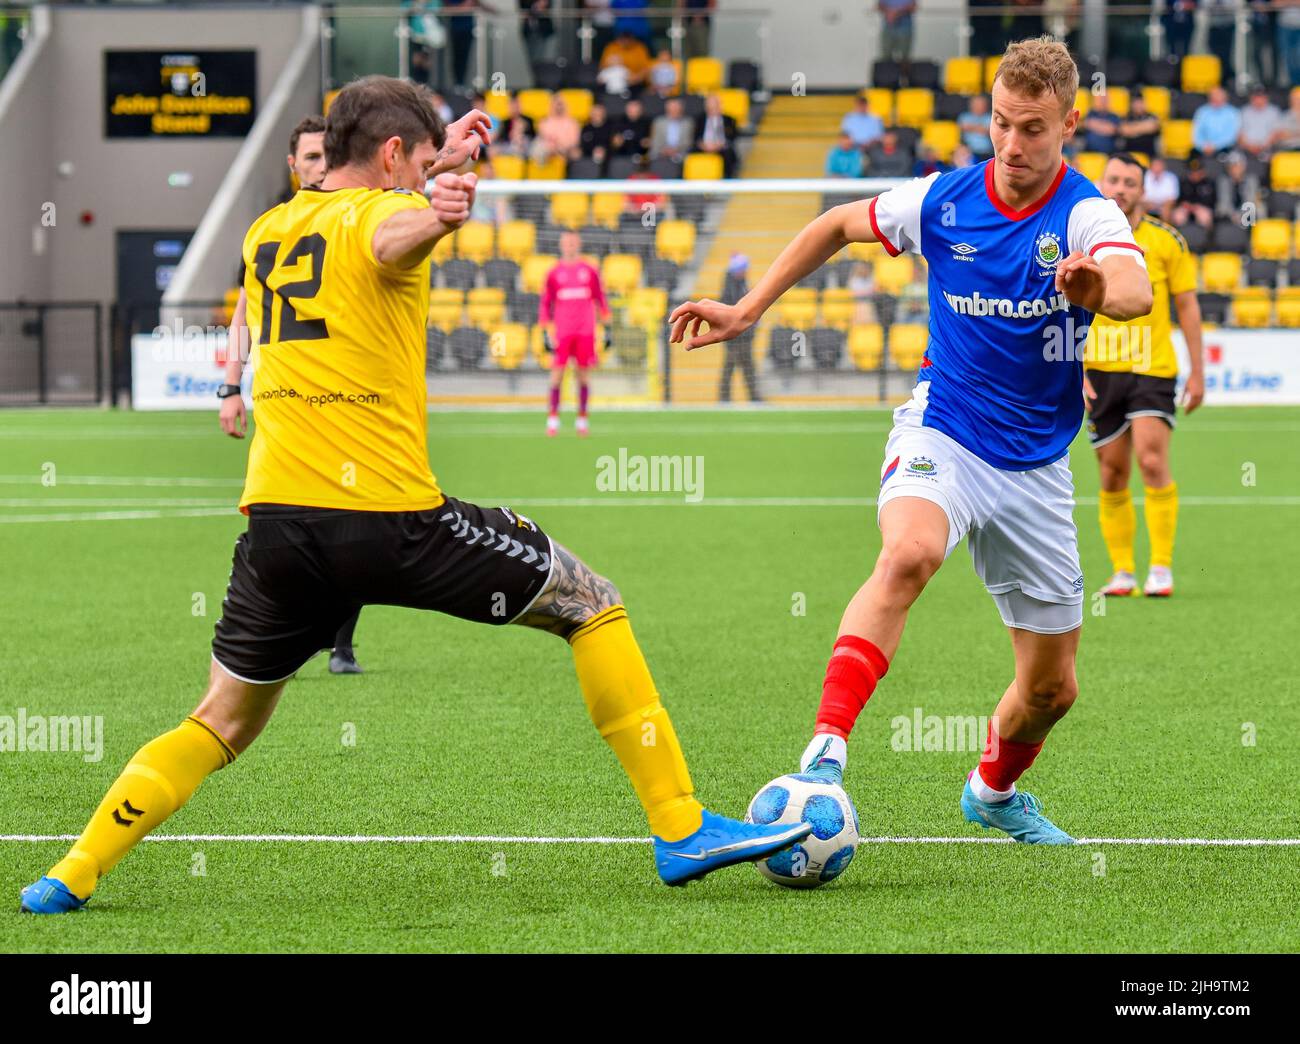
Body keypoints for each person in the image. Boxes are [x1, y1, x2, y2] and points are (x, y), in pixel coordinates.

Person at [19, 77, 808, 916]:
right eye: (421, 156)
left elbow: (367, 221)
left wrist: (441, 167)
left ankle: (73, 870)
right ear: (394, 155)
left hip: (278, 529)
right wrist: (439, 210)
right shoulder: (388, 215)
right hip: (389, 523)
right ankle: (681, 826)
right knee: (592, 603)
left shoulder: (268, 229)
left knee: (220, 722)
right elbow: (390, 234)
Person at [669, 36, 1151, 845]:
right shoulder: (943, 200)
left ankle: (992, 791)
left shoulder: (1085, 213)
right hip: (945, 429)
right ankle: (823, 756)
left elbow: (1135, 291)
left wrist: (1095, 284)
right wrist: (747, 309)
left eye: (1033, 128)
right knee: (909, 553)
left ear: (1070, 123)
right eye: (1000, 122)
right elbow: (836, 224)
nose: (1012, 144)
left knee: (1051, 692)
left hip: (1036, 467)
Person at [218, 116, 365, 676]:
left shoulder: (356, 219)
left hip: (346, 401)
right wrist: (230, 386)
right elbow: (243, 315)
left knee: (354, 521)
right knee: (281, 528)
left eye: (328, 156)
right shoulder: (269, 231)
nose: (320, 167)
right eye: (310, 158)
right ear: (292, 165)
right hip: (286, 407)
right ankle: (284, 639)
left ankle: (342, 644)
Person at [1085, 153, 1204, 598]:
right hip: (1099, 369)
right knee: (1112, 473)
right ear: (1102, 184)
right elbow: (1062, 307)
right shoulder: (1081, 238)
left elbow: (1187, 306)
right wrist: (1072, 369)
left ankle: (1161, 568)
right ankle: (1123, 572)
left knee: (1152, 461)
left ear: (1142, 190)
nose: (1120, 189)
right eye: (1114, 180)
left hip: (1152, 368)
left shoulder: (1167, 241)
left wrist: (1198, 373)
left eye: (1129, 182)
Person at [540, 231, 612, 437]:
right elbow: (546, 303)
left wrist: (607, 328)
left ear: (578, 244)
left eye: (573, 242)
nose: (570, 246)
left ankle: (582, 419)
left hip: (585, 331)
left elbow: (600, 298)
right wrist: (544, 330)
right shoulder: (554, 273)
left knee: (583, 376)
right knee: (557, 374)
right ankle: (553, 419)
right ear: (561, 245)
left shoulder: (589, 270)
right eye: (566, 243)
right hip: (562, 332)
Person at [717, 254, 761, 403]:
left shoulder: (741, 284)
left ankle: (753, 397)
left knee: (747, 367)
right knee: (731, 366)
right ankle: (725, 398)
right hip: (734, 336)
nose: (745, 272)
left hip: (744, 334)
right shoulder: (731, 288)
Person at [695, 93, 738, 177]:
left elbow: (732, 137)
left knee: (729, 154)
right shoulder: (700, 119)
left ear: (720, 106)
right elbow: (696, 137)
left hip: (722, 148)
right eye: (710, 108)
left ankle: (727, 178)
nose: (712, 110)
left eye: (715, 107)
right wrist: (703, 145)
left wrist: (719, 145)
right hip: (703, 147)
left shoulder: (729, 120)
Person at [1192, 86, 1242, 157]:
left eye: (1219, 99)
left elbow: (1232, 135)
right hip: (1203, 148)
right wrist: (1203, 146)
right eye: (1214, 99)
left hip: (1226, 148)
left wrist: (1214, 146)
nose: (1216, 102)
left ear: (1225, 99)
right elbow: (1196, 132)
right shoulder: (1202, 111)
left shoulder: (1233, 113)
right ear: (1210, 99)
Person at [532, 94, 581, 163]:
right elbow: (543, 138)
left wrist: (560, 146)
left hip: (565, 150)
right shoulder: (544, 122)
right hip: (548, 151)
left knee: (575, 153)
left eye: (560, 104)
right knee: (539, 147)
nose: (559, 107)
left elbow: (574, 141)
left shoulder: (572, 123)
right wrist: (553, 147)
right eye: (556, 104)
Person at [1171, 155, 1217, 227]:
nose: (1195, 174)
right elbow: (1177, 198)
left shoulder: (1208, 183)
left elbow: (1212, 200)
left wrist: (1197, 206)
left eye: (1197, 172)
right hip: (1186, 207)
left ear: (1202, 172)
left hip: (1202, 207)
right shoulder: (1183, 182)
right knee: (1178, 216)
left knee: (1204, 218)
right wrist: (1184, 204)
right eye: (1192, 172)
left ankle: (1206, 234)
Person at [1238, 85, 1282, 159]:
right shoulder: (1244, 111)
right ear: (1251, 98)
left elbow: (1276, 133)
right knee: (1236, 158)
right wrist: (1249, 146)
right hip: (1247, 148)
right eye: (1256, 96)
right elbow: (1240, 133)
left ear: (1266, 98)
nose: (1258, 99)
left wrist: (1263, 146)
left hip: (1268, 148)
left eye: (1261, 96)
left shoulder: (1274, 111)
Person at [649, 96, 694, 163]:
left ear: (681, 109)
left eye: (676, 108)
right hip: (661, 152)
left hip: (680, 153)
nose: (674, 110)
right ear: (667, 109)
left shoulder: (688, 123)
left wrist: (676, 150)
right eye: (671, 108)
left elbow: (688, 142)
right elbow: (655, 141)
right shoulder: (659, 122)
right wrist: (663, 150)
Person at [1142, 155, 1180, 221]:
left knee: (1167, 208)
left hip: (1164, 205)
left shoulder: (1171, 178)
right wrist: (1150, 204)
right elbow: (1141, 195)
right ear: (1151, 166)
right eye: (1155, 165)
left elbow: (1172, 198)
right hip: (1147, 204)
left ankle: (1165, 226)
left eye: (1159, 165)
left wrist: (1162, 205)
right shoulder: (1144, 176)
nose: (1157, 168)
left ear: (1163, 167)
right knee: (1139, 206)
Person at [958, 95, 994, 161]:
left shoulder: (990, 117)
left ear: (985, 106)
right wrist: (982, 128)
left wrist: (971, 127)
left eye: (981, 104)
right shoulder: (965, 116)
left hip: (987, 152)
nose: (978, 106)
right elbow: (963, 127)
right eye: (976, 104)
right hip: (969, 152)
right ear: (971, 105)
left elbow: (990, 130)